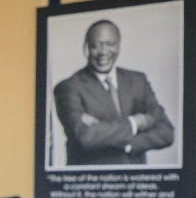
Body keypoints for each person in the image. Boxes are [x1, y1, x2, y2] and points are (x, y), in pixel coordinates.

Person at [53, 19, 173, 165]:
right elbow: (85, 136)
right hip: (92, 183)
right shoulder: (68, 87)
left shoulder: (138, 81)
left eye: (110, 44)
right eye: (96, 45)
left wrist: (128, 144)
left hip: (138, 182)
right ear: (86, 48)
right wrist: (135, 123)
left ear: (118, 46)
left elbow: (166, 132)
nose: (103, 52)